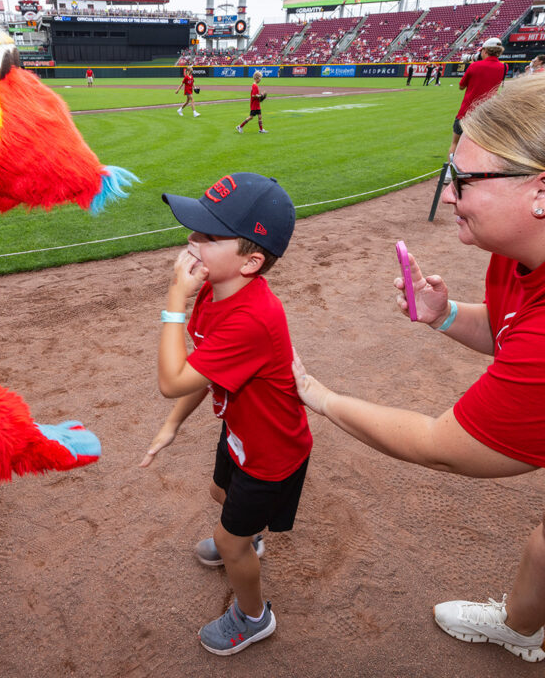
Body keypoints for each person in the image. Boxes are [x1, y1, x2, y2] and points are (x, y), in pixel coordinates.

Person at [292, 73, 545, 664]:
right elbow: (512, 331)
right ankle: (525, 628)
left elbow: (440, 443)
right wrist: (446, 314)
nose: (449, 194)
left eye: (465, 179)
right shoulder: (516, 254)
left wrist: (318, 394)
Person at [142, 173, 312, 656]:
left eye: (208, 237)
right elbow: (202, 371)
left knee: (228, 539)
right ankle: (245, 538)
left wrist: (173, 297)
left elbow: (172, 379)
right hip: (241, 431)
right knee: (219, 491)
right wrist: (173, 424)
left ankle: (254, 616)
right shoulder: (214, 290)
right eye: (194, 232)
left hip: (271, 452)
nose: (191, 244)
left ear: (251, 261)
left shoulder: (251, 318)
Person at [449, 36, 507, 155]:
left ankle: (450, 171)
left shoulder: (474, 66)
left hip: (467, 112)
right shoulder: (504, 67)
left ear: (485, 51)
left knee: (455, 143)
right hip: (487, 113)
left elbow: (461, 86)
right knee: (481, 147)